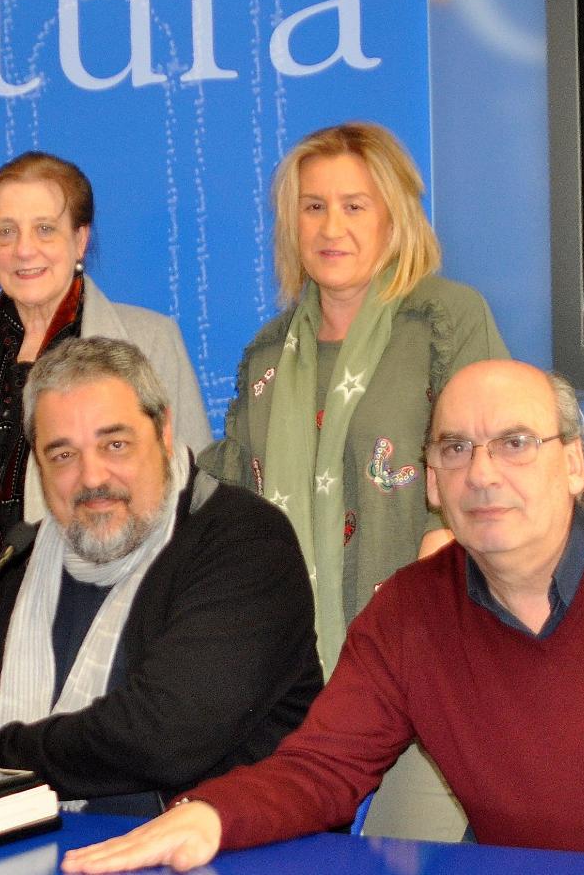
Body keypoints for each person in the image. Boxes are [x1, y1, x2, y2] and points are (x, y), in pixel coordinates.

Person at [62, 360, 584, 871]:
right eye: (454, 449)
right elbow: (324, 767)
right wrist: (212, 815)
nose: (483, 473)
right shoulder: (410, 612)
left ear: (573, 463)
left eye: (516, 443)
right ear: (433, 484)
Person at [0, 337, 321, 819]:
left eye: (115, 444)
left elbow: (162, 737)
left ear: (165, 432)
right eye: (63, 455)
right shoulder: (20, 559)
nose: (92, 477)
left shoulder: (243, 540)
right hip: (39, 851)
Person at [201, 122, 505, 836]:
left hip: (427, 666)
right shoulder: (267, 353)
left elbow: (493, 459)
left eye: (354, 206)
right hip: (286, 681)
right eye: (313, 207)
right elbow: (231, 487)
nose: (330, 227)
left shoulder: (445, 320)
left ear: (393, 216)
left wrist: (447, 545)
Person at [0, 151, 211, 569]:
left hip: (104, 604)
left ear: (79, 239)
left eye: (44, 229)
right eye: (5, 232)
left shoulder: (150, 343)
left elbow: (193, 495)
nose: (24, 250)